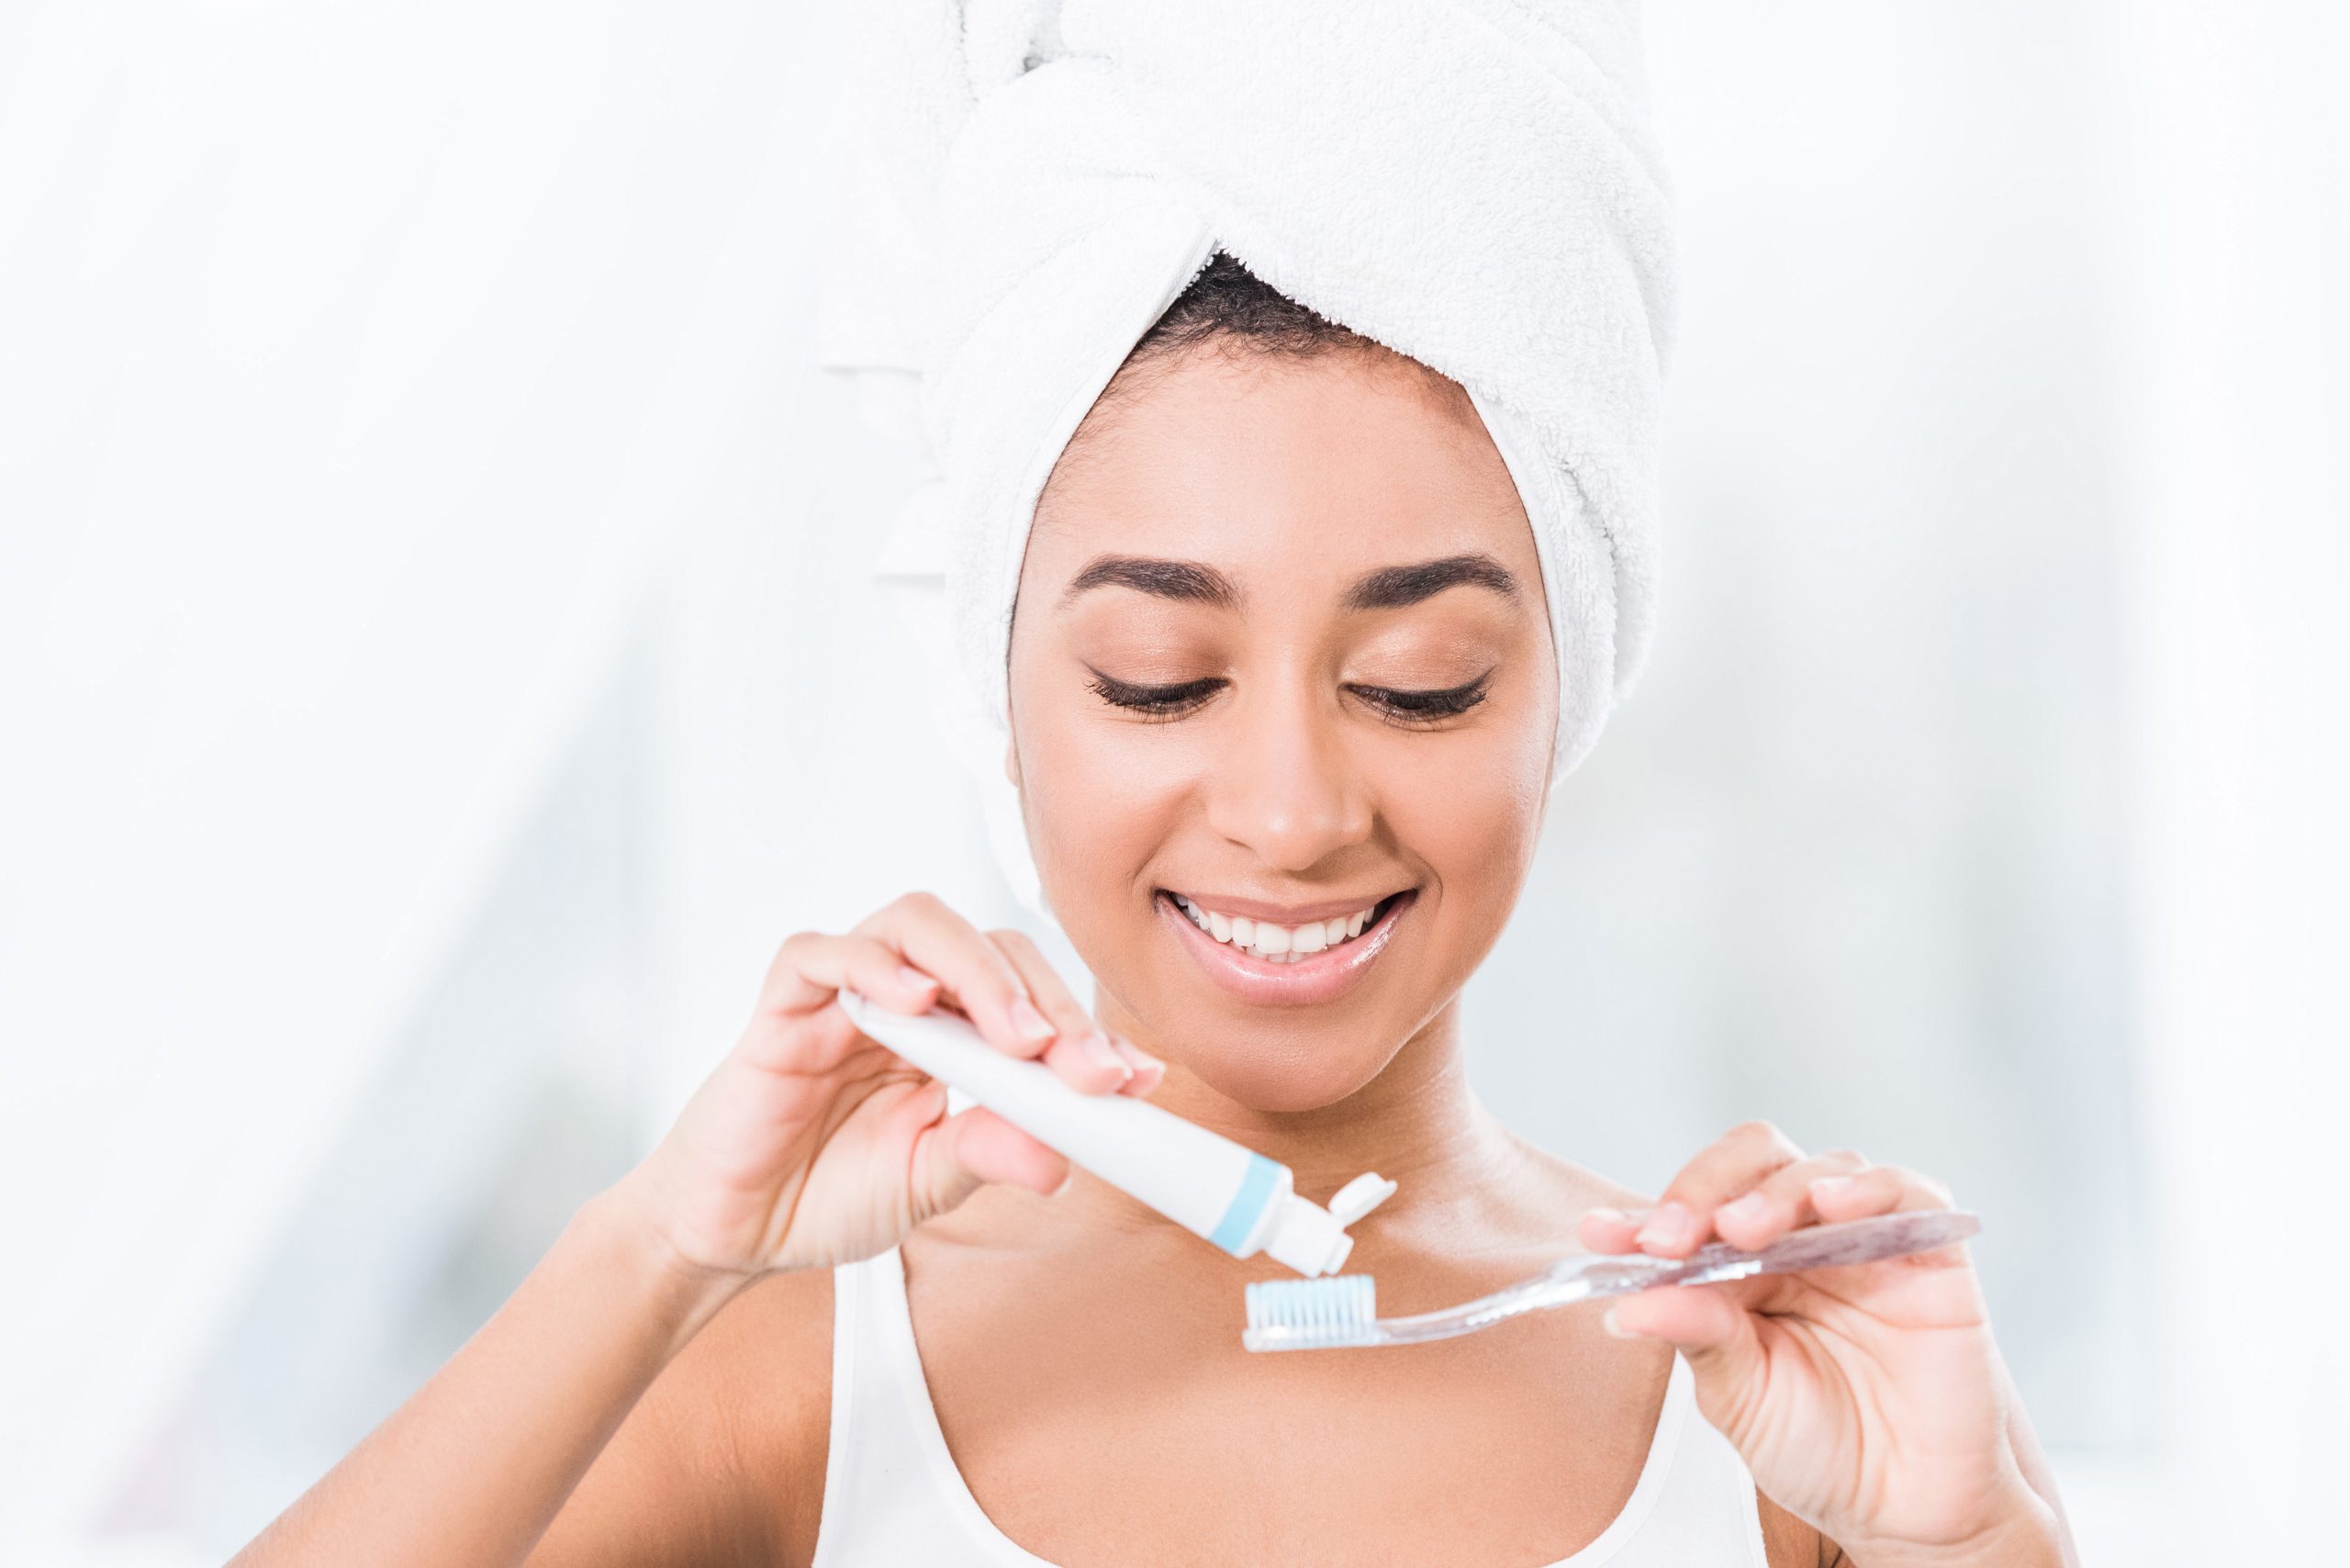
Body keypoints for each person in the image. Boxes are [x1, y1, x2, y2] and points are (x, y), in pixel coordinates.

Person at [230, 254, 2076, 1567]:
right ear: (998, 689)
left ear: (1558, 699)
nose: (1287, 811)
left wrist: (1981, 1537)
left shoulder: (1765, 1405)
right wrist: (652, 1246)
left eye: (1422, 680)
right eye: (1153, 674)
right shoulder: (803, 1381)